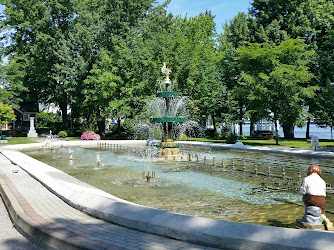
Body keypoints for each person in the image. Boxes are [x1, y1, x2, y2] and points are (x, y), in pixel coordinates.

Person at [300, 164, 333, 230]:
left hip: (310, 199)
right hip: (321, 199)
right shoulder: (322, 181)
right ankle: (327, 221)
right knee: (322, 211)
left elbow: (302, 191)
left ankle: (307, 212)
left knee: (305, 197)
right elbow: (324, 193)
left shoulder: (307, 179)